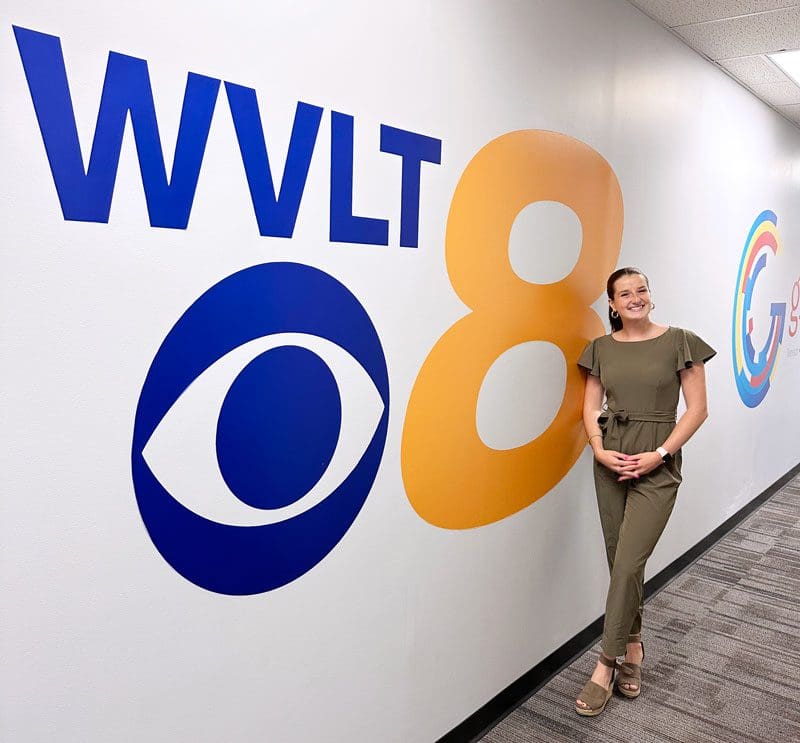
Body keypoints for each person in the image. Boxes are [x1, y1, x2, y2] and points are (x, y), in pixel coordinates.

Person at [574, 267, 715, 717]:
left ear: (650, 296)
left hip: (658, 461)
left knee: (630, 561)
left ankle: (604, 663)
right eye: (624, 293)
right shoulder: (599, 349)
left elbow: (698, 410)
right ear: (612, 305)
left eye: (641, 290)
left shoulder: (680, 341)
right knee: (620, 562)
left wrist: (661, 452)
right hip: (611, 460)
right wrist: (598, 449)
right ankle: (634, 647)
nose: (635, 298)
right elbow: (591, 405)